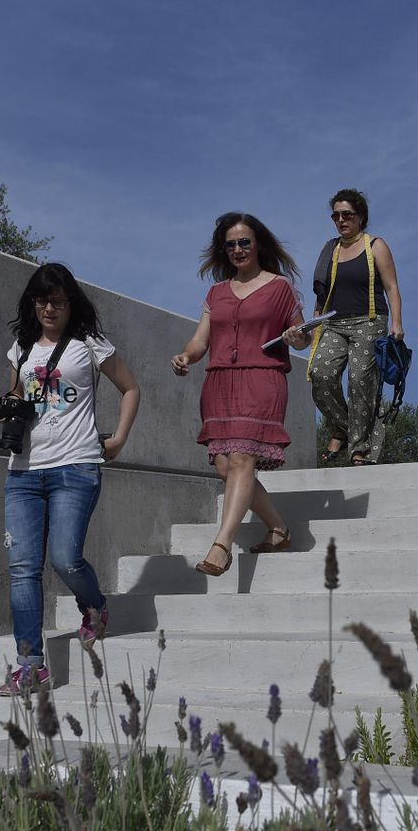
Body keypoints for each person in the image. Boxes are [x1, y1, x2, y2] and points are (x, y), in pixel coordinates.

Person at [0, 263, 140, 695]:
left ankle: (95, 606)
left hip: (75, 466)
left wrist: (119, 439)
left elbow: (131, 388)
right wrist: (6, 406)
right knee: (22, 569)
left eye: (57, 300)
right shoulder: (20, 348)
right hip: (23, 471)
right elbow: (17, 395)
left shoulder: (88, 343)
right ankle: (31, 665)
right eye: (42, 300)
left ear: (70, 302)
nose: (49, 308)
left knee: (65, 558)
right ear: (32, 303)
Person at [171, 213, 309, 575]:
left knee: (242, 459)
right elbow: (201, 340)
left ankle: (221, 545)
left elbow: (302, 334)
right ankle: (279, 528)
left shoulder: (279, 287)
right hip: (219, 382)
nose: (237, 249)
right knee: (224, 466)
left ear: (258, 243)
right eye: (230, 244)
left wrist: (298, 338)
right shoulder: (215, 292)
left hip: (262, 379)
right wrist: (186, 355)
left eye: (244, 242)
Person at [307, 188, 405, 466]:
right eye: (335, 215)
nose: (341, 220)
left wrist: (397, 322)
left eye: (347, 214)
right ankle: (343, 428)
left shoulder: (376, 245)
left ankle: (359, 449)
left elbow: (392, 287)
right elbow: (321, 293)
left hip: (369, 320)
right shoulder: (330, 249)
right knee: (320, 373)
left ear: (360, 216)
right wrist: (315, 325)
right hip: (333, 322)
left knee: (360, 382)